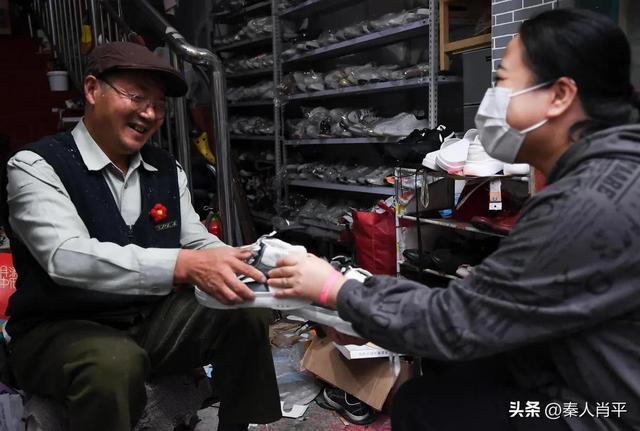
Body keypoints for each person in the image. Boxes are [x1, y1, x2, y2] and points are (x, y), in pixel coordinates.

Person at [267, 9, 640, 431]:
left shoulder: (586, 203)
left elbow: (456, 323)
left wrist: (335, 290)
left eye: (502, 81)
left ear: (559, 95)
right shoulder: (611, 171)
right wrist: (369, 310)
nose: (491, 98)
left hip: (609, 412)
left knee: (424, 405)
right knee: (452, 367)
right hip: (592, 372)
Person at [1, 42, 281, 431]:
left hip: (147, 320)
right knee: (114, 364)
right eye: (137, 97)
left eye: (159, 105)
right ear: (92, 89)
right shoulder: (36, 165)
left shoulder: (165, 168)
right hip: (59, 328)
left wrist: (250, 264)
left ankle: (238, 425)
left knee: (246, 307)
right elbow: (64, 256)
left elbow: (197, 242)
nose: (150, 113)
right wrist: (182, 265)